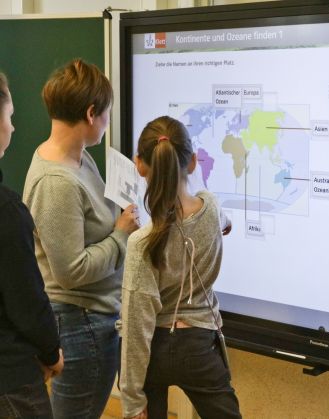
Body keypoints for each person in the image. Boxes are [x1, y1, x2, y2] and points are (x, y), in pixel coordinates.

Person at [23, 59, 139, 419]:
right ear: (91, 113)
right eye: (106, 114)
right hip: (81, 325)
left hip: (92, 318)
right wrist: (121, 235)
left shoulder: (81, 159)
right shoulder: (57, 183)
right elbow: (71, 271)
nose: (107, 121)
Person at [120, 115, 241, 419]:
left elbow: (136, 326)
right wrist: (222, 226)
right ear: (193, 163)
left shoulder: (142, 242)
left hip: (155, 349)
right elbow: (225, 222)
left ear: (140, 165)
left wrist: (132, 401)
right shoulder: (211, 208)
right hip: (200, 345)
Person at [0, 72, 64, 418]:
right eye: (9, 117)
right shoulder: (8, 212)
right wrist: (52, 352)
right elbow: (26, 302)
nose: (12, 128)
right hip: (11, 383)